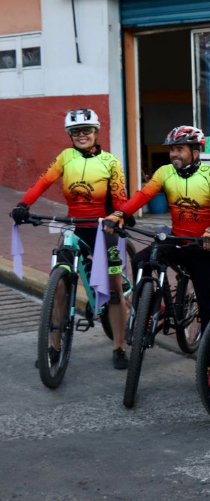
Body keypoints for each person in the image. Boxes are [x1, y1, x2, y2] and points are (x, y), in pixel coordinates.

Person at [11, 108, 130, 369]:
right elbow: (42, 182)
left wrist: (119, 216)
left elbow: (120, 197)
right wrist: (23, 204)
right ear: (70, 135)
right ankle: (54, 346)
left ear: (96, 132)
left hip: (103, 228)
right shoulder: (66, 157)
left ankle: (119, 346)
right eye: (76, 131)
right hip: (73, 225)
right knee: (60, 286)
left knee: (113, 289)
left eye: (87, 130)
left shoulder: (110, 161)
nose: (82, 135)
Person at [105, 125, 210, 338]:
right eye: (172, 150)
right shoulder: (164, 172)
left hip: (201, 246)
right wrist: (120, 214)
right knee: (141, 259)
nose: (174, 154)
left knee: (208, 310)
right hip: (176, 241)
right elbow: (142, 196)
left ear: (195, 152)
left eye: (179, 149)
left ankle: (208, 361)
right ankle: (148, 308)